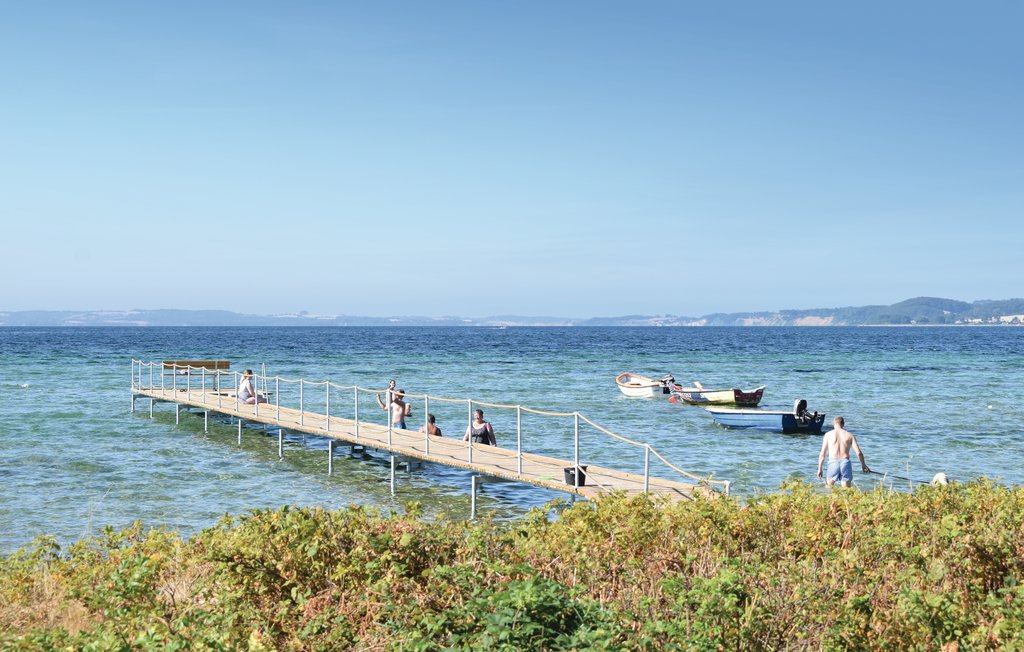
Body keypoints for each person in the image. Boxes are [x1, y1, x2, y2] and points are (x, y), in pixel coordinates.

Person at [816, 416, 870, 487]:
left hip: (833, 462)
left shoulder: (828, 435)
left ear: (834, 424)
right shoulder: (850, 435)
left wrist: (819, 468)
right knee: (846, 490)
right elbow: (858, 452)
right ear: (843, 424)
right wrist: (863, 465)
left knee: (829, 487)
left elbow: (823, 454)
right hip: (845, 462)